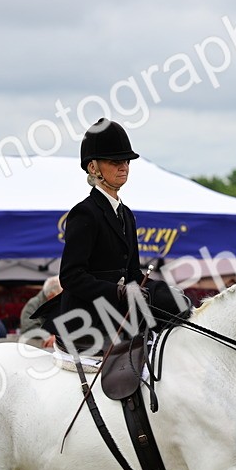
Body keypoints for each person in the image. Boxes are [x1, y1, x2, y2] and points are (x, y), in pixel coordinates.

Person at [56, 118, 187, 353]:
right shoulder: (85, 212)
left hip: (120, 313)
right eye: (115, 161)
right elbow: (70, 276)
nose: (123, 166)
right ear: (93, 168)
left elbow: (132, 273)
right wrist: (118, 291)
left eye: (126, 161)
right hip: (87, 321)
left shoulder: (126, 214)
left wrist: (164, 293)